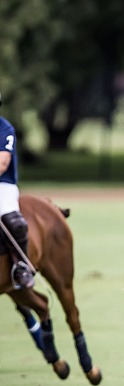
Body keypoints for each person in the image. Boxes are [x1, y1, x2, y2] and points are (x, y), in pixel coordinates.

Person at [0, 93, 34, 289]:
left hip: (2, 184)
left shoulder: (5, 128)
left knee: (15, 222)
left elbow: (3, 162)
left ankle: (21, 266)